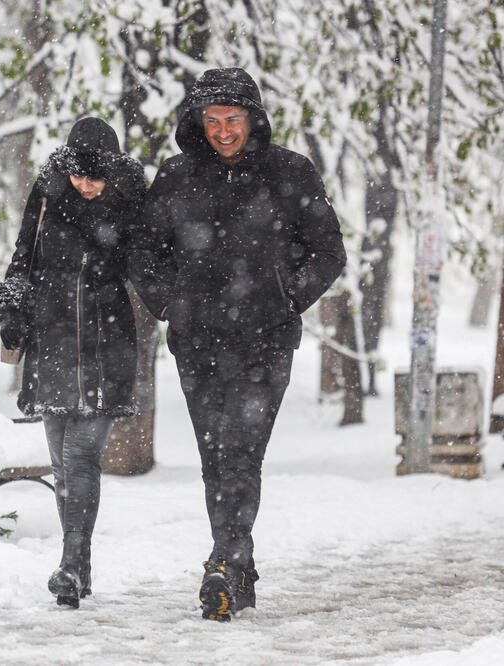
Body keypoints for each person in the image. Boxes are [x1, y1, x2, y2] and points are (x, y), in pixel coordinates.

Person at [127, 68, 347, 621]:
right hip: (197, 340)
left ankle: (224, 559)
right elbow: (142, 253)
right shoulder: (176, 178)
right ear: (198, 122)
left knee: (243, 452)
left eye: (233, 119)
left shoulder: (289, 172)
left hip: (264, 341)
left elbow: (328, 251)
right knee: (214, 456)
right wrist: (170, 302)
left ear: (253, 119)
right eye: (213, 120)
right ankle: (237, 566)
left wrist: (286, 295)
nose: (224, 130)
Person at [0, 117, 146, 609]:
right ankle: (78, 562)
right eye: (80, 175)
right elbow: (22, 258)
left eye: (96, 177)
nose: (86, 184)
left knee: (80, 456)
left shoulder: (130, 202)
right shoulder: (48, 193)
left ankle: (73, 565)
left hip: (106, 342)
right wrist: (12, 310)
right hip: (52, 339)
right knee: (60, 461)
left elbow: (152, 261)